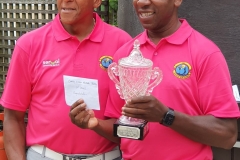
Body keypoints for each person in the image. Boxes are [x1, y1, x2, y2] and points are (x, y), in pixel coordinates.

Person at [70, 0, 240, 159]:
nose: (142, 2)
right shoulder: (124, 55)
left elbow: (227, 135)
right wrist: (96, 124)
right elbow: (123, 128)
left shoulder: (205, 53)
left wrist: (166, 116)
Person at [0, 0, 132, 160]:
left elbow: (130, 124)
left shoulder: (122, 44)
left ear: (96, 1)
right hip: (44, 155)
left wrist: (96, 124)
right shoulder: (29, 45)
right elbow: (13, 117)